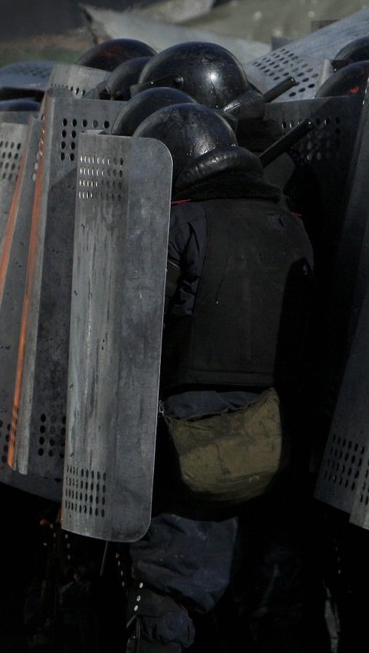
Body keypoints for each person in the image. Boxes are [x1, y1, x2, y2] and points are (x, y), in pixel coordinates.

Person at [125, 103, 329, 652]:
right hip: (278, 439)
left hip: (187, 445)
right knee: (276, 600)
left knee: (170, 592)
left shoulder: (177, 225)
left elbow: (134, 335)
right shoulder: (291, 224)